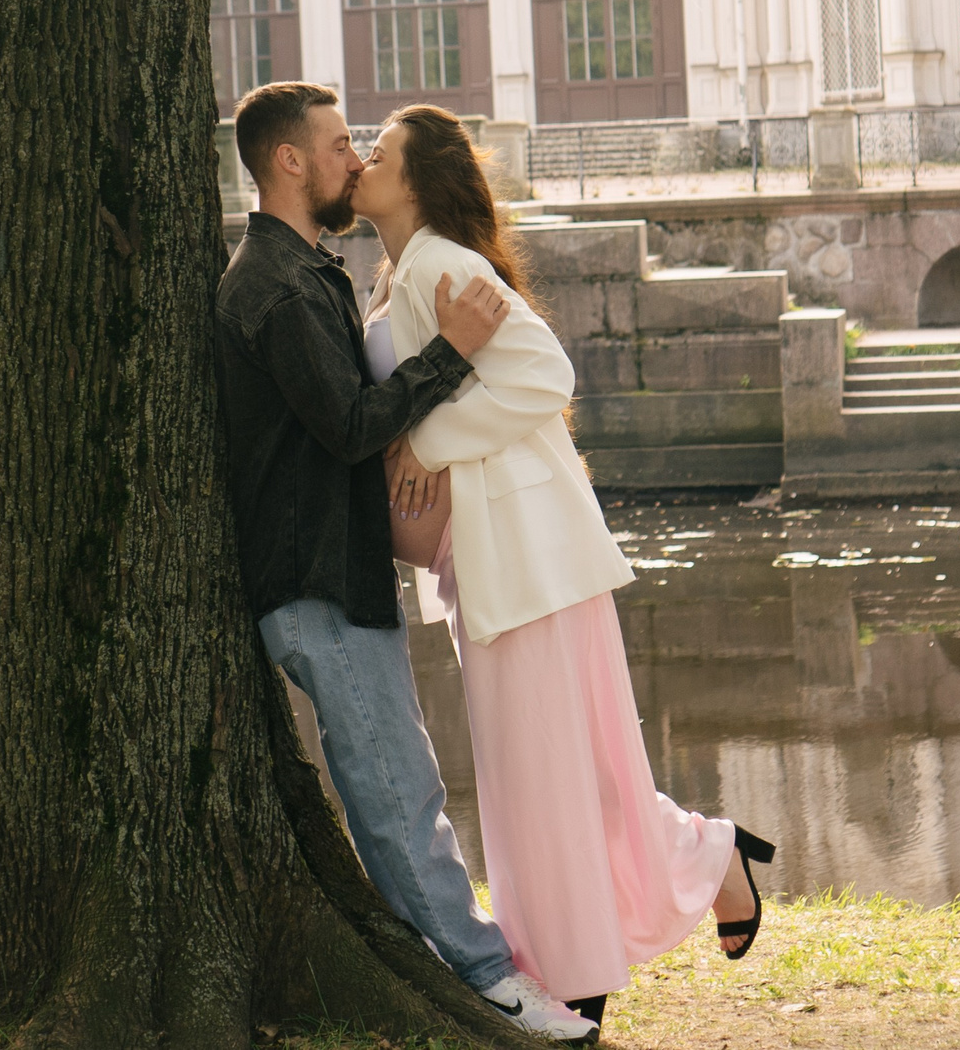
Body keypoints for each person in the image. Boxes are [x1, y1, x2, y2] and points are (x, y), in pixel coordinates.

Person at [355, 105, 778, 1027]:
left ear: (418, 179)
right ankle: (704, 862)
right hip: (495, 555)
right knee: (564, 769)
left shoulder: (441, 264)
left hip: (524, 550)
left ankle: (571, 974)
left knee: (543, 778)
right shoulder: (398, 273)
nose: (360, 161)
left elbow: (547, 373)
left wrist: (426, 445)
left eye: (377, 152)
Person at [212, 81, 594, 1043]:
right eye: (340, 144)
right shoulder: (275, 285)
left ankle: (445, 965)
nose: (354, 159)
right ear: (290, 161)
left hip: (337, 574)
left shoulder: (308, 271)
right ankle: (489, 981)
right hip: (314, 581)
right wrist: (452, 352)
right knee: (398, 789)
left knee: (395, 781)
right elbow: (349, 424)